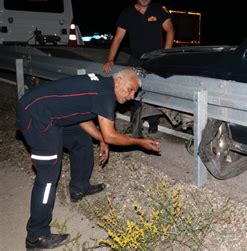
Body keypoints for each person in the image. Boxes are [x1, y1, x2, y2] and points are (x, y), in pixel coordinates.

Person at [16, 68, 160, 250]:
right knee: (47, 175)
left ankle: (79, 187)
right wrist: (139, 142)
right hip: (36, 116)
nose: (132, 96)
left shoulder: (102, 86)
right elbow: (111, 136)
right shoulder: (106, 94)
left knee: (81, 140)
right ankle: (36, 235)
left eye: (135, 93)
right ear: (118, 82)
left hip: (50, 115)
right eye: (130, 89)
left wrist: (101, 137)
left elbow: (81, 114)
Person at [103, 0, 175, 134]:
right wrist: (110, 59)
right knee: (133, 91)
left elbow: (170, 30)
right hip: (136, 59)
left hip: (156, 60)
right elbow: (118, 37)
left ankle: (153, 122)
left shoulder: (158, 10)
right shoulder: (127, 13)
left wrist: (165, 53)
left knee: (155, 91)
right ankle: (135, 125)